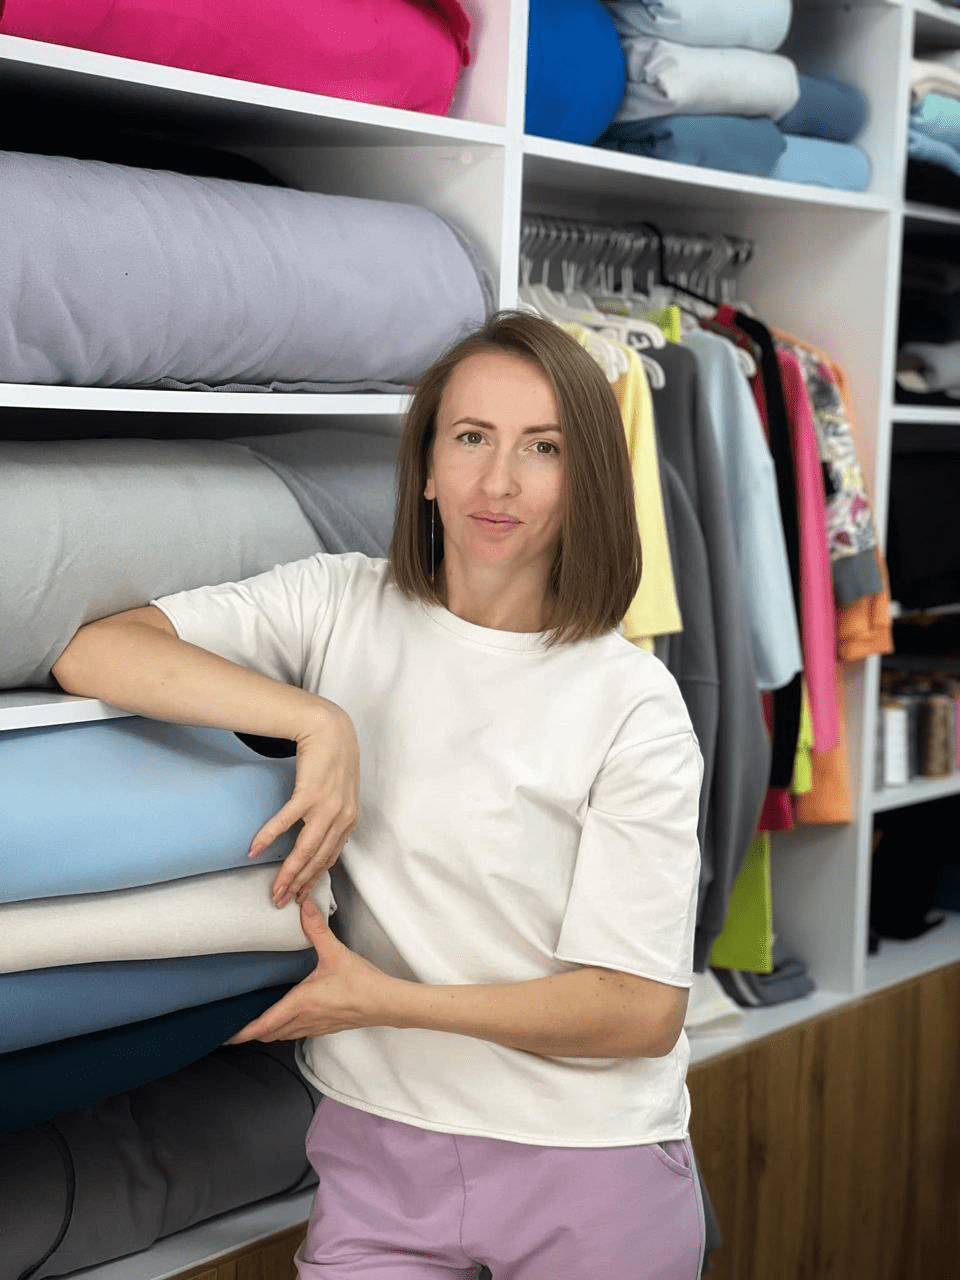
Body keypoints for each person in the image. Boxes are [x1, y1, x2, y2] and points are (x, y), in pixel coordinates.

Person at [53, 310, 706, 1279]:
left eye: (544, 448)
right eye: (472, 437)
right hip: (377, 1151)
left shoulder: (631, 701)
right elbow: (96, 650)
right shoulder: (337, 604)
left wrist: (384, 1000)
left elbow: (637, 1010)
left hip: (587, 1160)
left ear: (588, 480)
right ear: (427, 464)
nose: (498, 481)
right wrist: (318, 720)